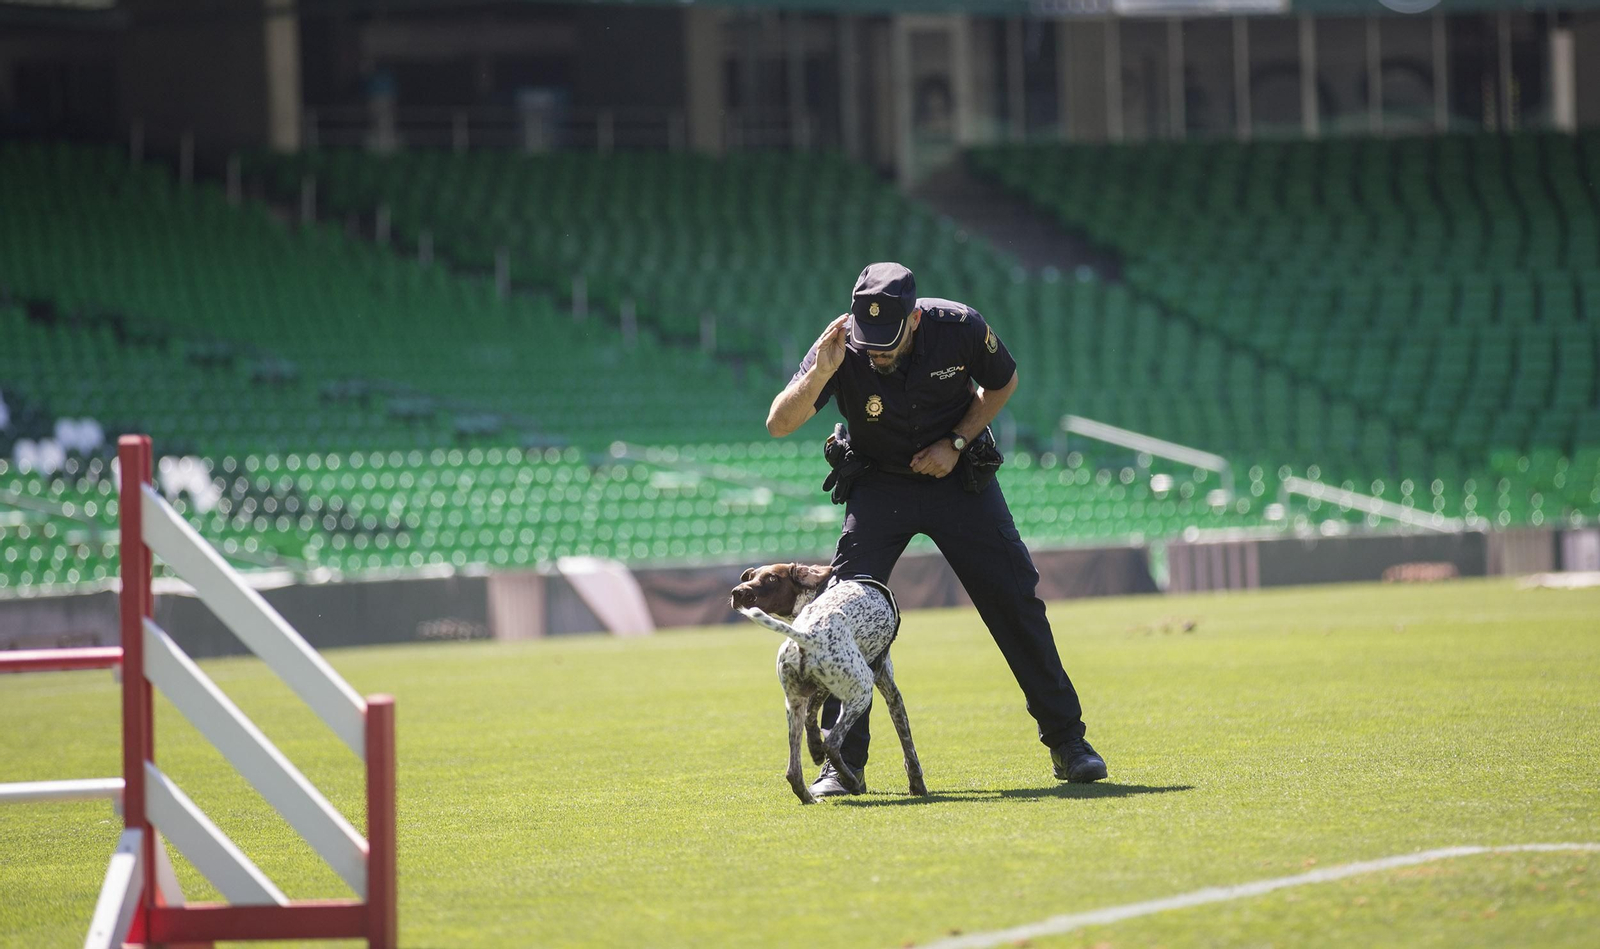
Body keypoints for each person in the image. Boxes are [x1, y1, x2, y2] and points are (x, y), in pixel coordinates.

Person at [764, 261, 1107, 797]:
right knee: (838, 611)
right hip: (879, 487)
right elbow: (778, 422)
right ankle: (843, 765)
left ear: (916, 320)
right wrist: (820, 372)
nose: (876, 351)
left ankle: (1069, 743)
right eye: (868, 340)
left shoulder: (960, 326)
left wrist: (956, 444)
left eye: (889, 340)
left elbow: (1002, 383)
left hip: (957, 480)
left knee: (1015, 601)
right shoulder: (840, 342)